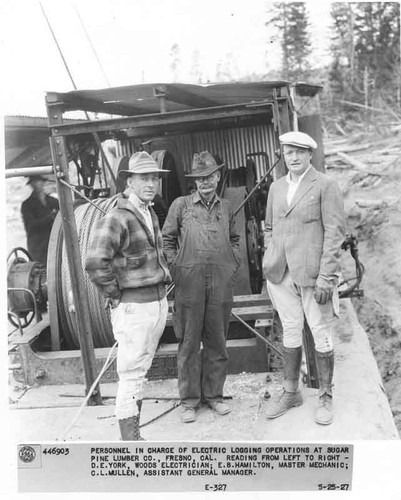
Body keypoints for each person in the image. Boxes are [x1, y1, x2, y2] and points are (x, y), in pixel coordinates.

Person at [85, 151, 171, 440]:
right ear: (129, 182)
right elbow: (95, 262)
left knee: (141, 370)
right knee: (131, 374)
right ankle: (130, 442)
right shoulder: (117, 217)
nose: (151, 184)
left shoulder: (148, 212)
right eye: (144, 178)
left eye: (155, 178)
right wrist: (114, 293)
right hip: (134, 307)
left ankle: (135, 437)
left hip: (156, 302)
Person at [262, 131, 346, 425]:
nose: (293, 157)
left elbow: (335, 234)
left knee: (321, 333)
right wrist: (270, 257)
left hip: (313, 276)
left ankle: (325, 396)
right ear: (282, 155)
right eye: (288, 152)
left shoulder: (325, 185)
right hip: (280, 275)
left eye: (299, 151)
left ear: (310, 154)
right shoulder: (276, 187)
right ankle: (291, 392)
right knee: (290, 331)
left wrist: (327, 277)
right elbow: (270, 227)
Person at [162, 151, 241, 423]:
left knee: (217, 341)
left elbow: (234, 239)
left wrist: (232, 265)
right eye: (199, 178)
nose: (205, 182)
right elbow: (167, 240)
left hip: (220, 283)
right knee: (189, 342)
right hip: (189, 284)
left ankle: (215, 397)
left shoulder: (227, 206)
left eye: (209, 176)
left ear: (218, 177)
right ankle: (189, 402)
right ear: (194, 181)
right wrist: (176, 270)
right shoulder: (180, 205)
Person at [21, 175, 59, 265]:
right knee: (41, 273)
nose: (37, 184)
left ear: (43, 183)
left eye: (39, 182)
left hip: (54, 243)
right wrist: (49, 218)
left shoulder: (53, 201)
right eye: (35, 182)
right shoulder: (27, 205)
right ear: (31, 185)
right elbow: (30, 225)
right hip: (38, 246)